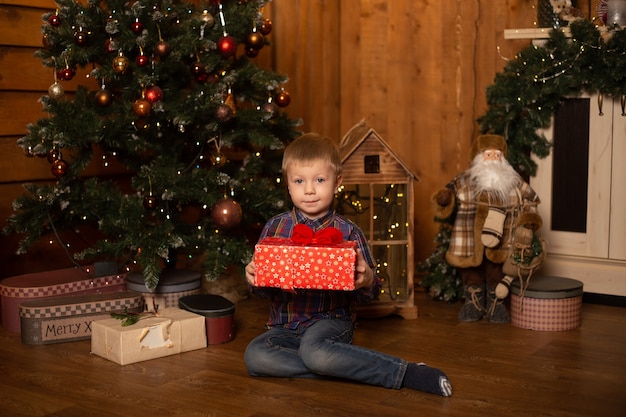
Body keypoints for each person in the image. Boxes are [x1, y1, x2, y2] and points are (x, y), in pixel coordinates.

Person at [244, 132, 452, 397]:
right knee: (255, 357)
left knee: (316, 352)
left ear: (337, 183)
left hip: (330, 323)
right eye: (299, 181)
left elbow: (372, 291)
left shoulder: (348, 231)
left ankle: (404, 372)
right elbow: (264, 290)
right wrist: (253, 277)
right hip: (285, 327)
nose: (309, 189)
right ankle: (341, 368)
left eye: (319, 180)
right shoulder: (275, 228)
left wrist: (365, 281)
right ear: (288, 185)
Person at [431, 134, 542, 323]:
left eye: (497, 155)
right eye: (487, 154)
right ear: (478, 157)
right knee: (470, 271)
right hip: (468, 239)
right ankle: (473, 301)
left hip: (502, 239)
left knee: (496, 270)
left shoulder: (513, 182)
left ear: (503, 158)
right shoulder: (465, 180)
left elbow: (532, 199)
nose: (492, 158)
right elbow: (446, 195)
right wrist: (444, 199)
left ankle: (495, 302)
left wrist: (528, 220)